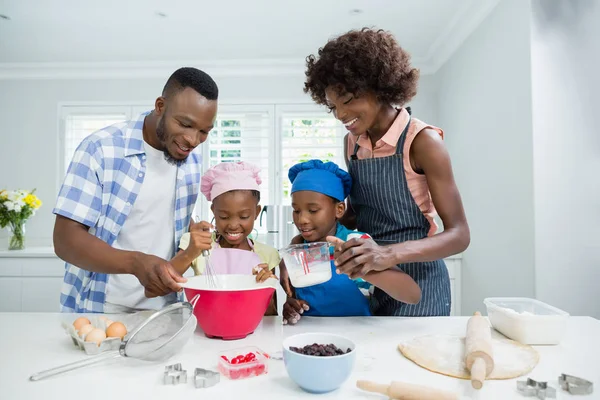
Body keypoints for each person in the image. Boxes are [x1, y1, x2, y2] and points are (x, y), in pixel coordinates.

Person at [303, 28, 470, 316]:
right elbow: (360, 213)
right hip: (375, 280)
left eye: (348, 99)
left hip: (421, 283)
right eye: (333, 106)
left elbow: (459, 235)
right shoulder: (352, 143)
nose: (341, 115)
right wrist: (314, 220)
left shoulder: (423, 142)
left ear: (378, 87)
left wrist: (388, 254)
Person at [53, 67, 218, 313]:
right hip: (101, 309)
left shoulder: (190, 159)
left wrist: (193, 230)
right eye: (185, 124)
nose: (193, 140)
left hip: (165, 309)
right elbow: (65, 240)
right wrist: (136, 262)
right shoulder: (101, 149)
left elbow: (162, 216)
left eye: (204, 131)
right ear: (160, 106)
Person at [281, 160, 421, 324]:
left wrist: (361, 267)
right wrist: (291, 305)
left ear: (339, 209)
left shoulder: (357, 243)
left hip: (359, 335)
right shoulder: (296, 251)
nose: (302, 219)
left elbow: (412, 295)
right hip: (309, 337)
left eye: (313, 210)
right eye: (296, 210)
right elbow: (295, 297)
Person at [178, 161, 280, 315]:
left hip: (253, 335)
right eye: (224, 216)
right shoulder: (196, 243)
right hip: (206, 331)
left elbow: (271, 316)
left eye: (244, 216)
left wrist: (265, 287)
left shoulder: (268, 255)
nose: (233, 225)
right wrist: (190, 252)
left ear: (257, 212)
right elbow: (167, 279)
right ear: (213, 211)